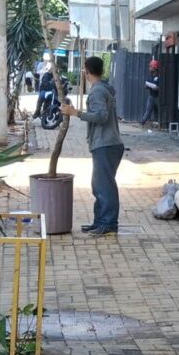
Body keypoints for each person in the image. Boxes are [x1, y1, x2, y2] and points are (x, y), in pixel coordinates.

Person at [61, 56, 123, 235]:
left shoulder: (97, 91)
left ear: (87, 71)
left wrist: (76, 113)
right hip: (108, 144)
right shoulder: (104, 89)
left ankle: (109, 224)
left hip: (105, 144)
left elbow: (101, 115)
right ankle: (100, 222)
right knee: (99, 185)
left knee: (104, 186)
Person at [141, 59, 160, 128]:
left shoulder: (159, 77)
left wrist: (154, 87)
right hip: (151, 96)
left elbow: (158, 88)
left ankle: (158, 124)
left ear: (155, 68)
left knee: (158, 111)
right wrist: (147, 86)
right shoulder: (150, 76)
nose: (150, 68)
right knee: (148, 110)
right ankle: (142, 123)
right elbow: (146, 85)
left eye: (151, 67)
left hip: (158, 97)